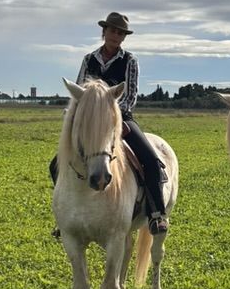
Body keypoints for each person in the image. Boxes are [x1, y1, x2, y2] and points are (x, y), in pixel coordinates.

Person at [50, 12, 169, 234]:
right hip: (91, 122)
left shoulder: (130, 61)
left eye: (121, 33)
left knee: (150, 160)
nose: (116, 36)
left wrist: (113, 117)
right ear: (104, 32)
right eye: (113, 31)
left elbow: (130, 95)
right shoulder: (89, 59)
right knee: (56, 164)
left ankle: (156, 214)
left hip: (120, 118)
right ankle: (64, 214)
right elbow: (80, 92)